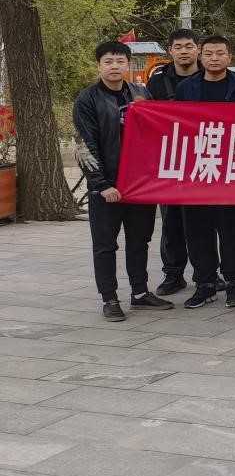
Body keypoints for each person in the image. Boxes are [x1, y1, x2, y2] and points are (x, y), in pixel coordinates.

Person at [73, 41, 171, 321]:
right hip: (107, 187)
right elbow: (84, 145)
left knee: (139, 241)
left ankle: (140, 293)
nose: (114, 66)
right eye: (108, 62)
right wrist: (102, 184)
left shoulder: (141, 93)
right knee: (105, 245)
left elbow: (155, 133)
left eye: (119, 61)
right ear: (99, 66)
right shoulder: (87, 99)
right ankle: (109, 298)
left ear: (128, 64)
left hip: (139, 185)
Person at [174, 35, 235, 309]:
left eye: (220, 53)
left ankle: (233, 281)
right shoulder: (186, 88)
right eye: (209, 53)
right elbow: (175, 124)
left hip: (231, 170)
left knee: (231, 229)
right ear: (201, 57)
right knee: (197, 230)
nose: (214, 58)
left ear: (229, 57)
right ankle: (205, 284)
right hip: (196, 170)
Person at [144, 28, 201, 297]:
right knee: (171, 221)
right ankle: (173, 274)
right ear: (170, 51)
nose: (184, 51)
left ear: (198, 48)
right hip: (170, 161)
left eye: (189, 46)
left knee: (203, 221)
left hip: (204, 159)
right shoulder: (156, 83)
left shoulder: (211, 77)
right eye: (178, 47)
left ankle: (206, 273)